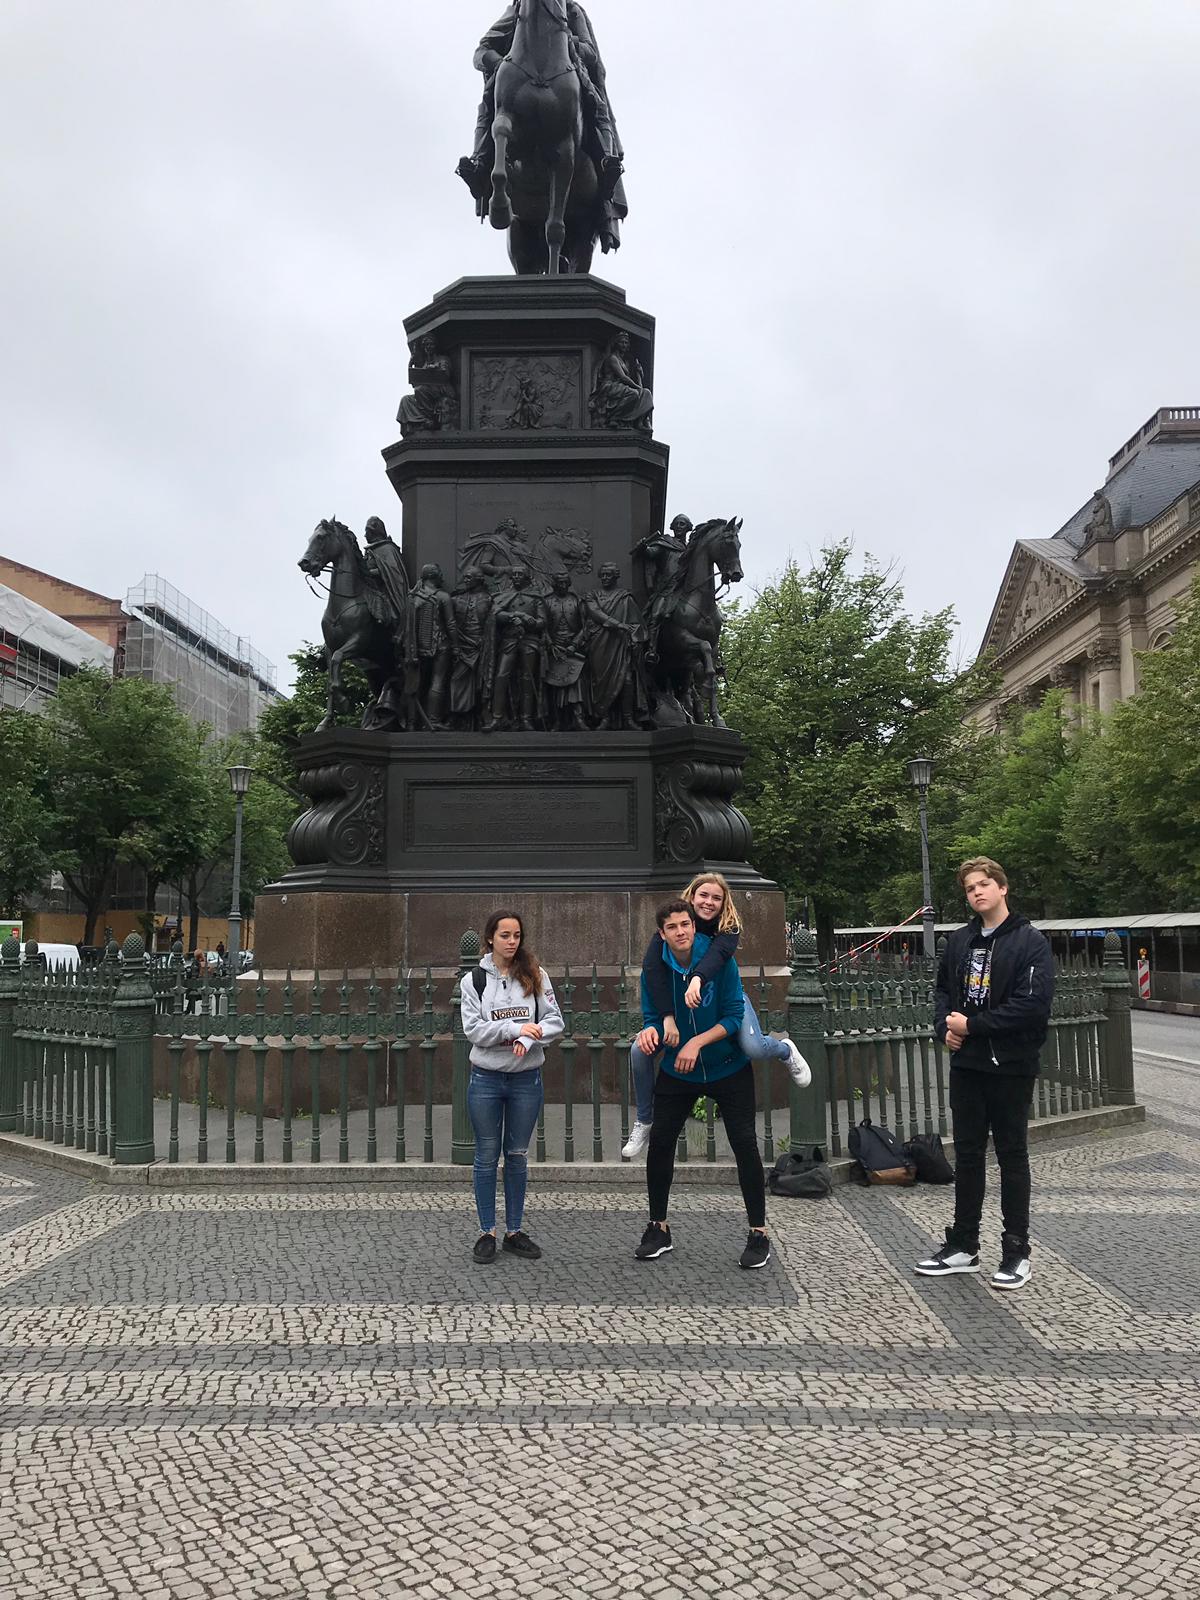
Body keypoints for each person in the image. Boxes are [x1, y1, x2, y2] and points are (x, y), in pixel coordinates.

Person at [914, 857, 1054, 1291]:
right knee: (969, 1155)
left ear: (1002, 888)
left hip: (1011, 1065)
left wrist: (972, 1026)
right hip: (968, 1065)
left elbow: (1032, 1007)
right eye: (970, 888)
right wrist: (944, 1029)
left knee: (1012, 1155)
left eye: (983, 884)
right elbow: (942, 992)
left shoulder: (1030, 942)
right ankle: (963, 1245)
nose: (976, 892)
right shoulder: (959, 941)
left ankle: (1016, 1251)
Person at [622, 872, 810, 1160]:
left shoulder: (728, 929)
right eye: (703, 895)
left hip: (723, 996)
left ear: (724, 903)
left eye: (716, 898)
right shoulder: (674, 922)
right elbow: (652, 970)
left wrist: (696, 979)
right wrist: (664, 1019)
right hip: (678, 1004)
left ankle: (785, 1049)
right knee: (638, 1050)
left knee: (753, 1047)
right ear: (691, 896)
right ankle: (644, 1119)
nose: (708, 902)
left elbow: (717, 958)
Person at [633, 901, 771, 1270]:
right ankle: (658, 1227)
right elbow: (651, 1016)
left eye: (686, 924)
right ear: (662, 934)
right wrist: (651, 1031)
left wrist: (696, 1042)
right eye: (672, 927)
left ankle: (759, 1231)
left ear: (694, 926)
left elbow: (734, 1015)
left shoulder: (718, 961)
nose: (681, 932)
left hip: (728, 1066)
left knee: (744, 1143)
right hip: (679, 1071)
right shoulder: (656, 967)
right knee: (661, 1142)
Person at [461, 910, 564, 1264]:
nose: (511, 941)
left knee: (517, 1155)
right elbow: (474, 1030)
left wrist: (531, 1038)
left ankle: (514, 1231)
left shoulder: (535, 974)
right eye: (505, 935)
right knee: (486, 1155)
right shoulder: (474, 980)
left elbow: (554, 1020)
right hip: (486, 1078)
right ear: (490, 938)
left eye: (516, 935)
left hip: (525, 1078)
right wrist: (515, 1029)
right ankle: (486, 1231)